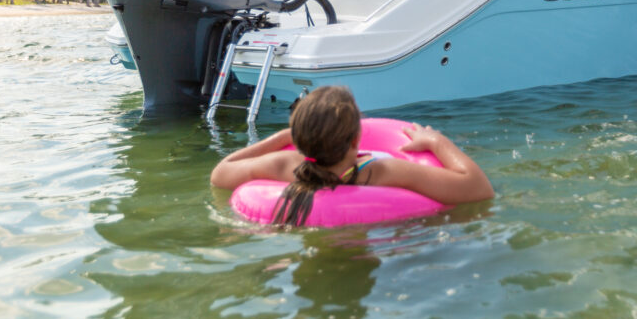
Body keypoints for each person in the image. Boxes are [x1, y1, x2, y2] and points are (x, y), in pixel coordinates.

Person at [210, 86, 494, 226]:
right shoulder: (382, 171)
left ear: (299, 141)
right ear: (357, 140)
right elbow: (478, 188)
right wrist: (436, 140)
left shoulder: (285, 164)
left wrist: (281, 138)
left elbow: (221, 173)